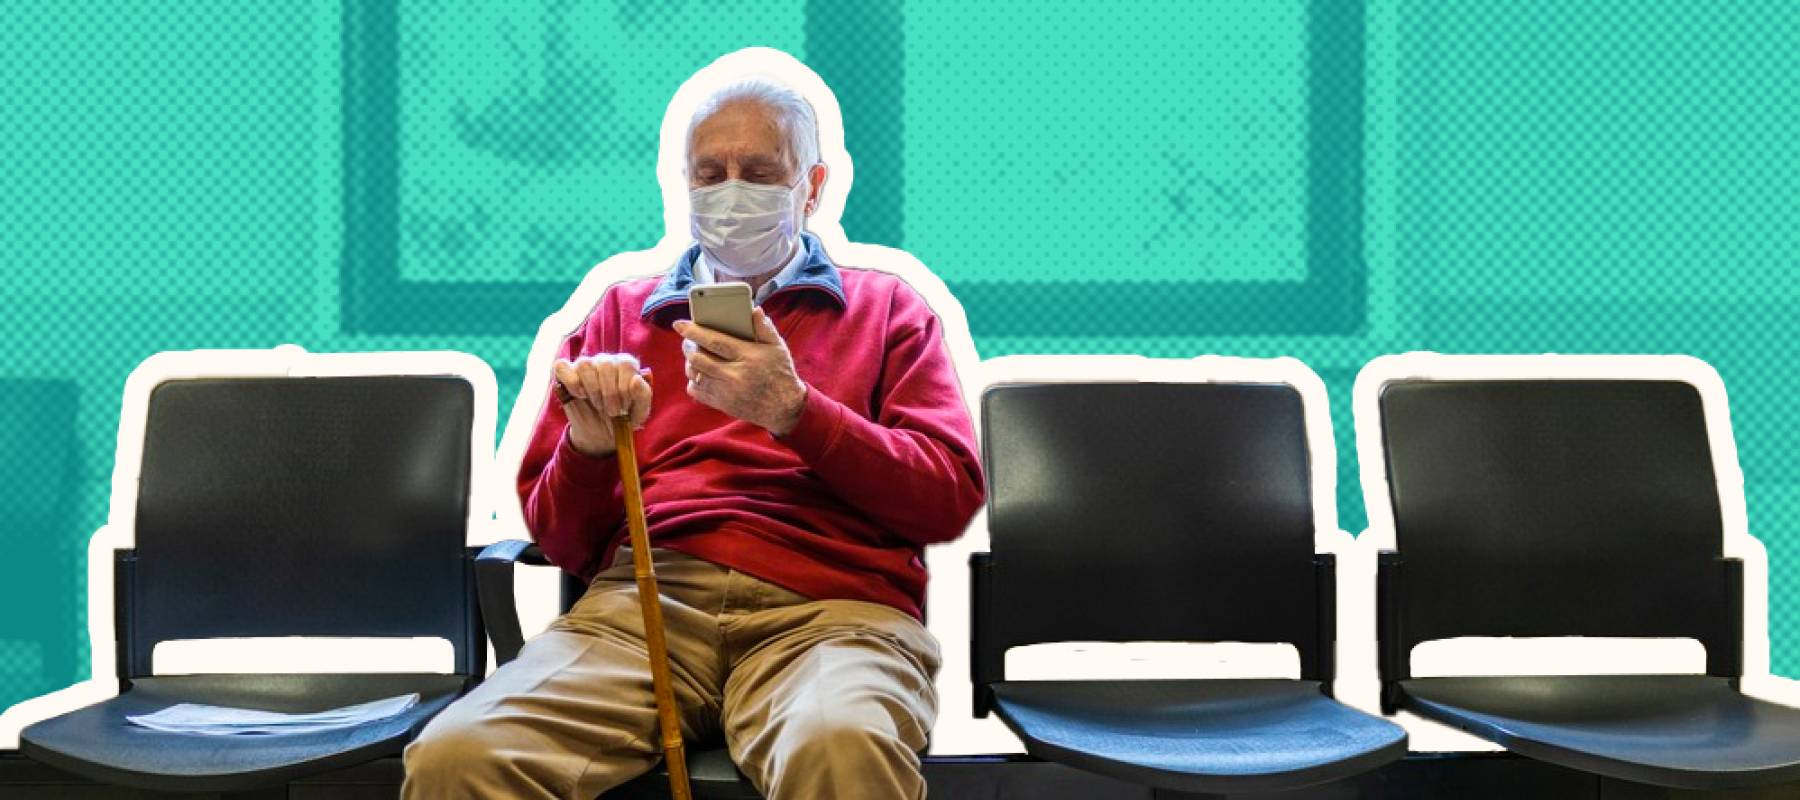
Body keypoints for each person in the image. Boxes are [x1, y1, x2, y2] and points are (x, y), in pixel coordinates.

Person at [400, 71, 985, 799]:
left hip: (834, 615)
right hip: (642, 606)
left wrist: (797, 412)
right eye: (710, 174)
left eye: (759, 173)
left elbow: (945, 499)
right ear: (684, 184)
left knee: (841, 749)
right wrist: (588, 451)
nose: (731, 193)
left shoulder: (889, 310)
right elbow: (563, 542)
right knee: (457, 757)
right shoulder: (619, 317)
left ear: (812, 187)